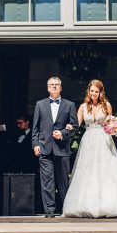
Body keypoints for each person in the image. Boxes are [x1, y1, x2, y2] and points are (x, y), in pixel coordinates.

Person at [62, 79, 117, 218]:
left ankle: (111, 205)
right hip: (89, 140)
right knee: (88, 171)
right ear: (88, 91)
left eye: (96, 91)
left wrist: (115, 126)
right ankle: (86, 205)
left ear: (101, 92)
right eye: (92, 91)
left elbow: (110, 122)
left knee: (108, 169)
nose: (94, 94)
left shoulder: (106, 105)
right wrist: (70, 127)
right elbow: (77, 124)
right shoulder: (83, 107)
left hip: (103, 139)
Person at [32, 77, 78, 218]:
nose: (54, 87)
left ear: (61, 88)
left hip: (62, 149)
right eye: (51, 85)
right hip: (45, 148)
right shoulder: (40, 104)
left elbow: (75, 126)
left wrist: (63, 133)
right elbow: (35, 128)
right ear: (47, 88)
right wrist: (35, 144)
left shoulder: (69, 105)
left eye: (57, 85)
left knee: (63, 182)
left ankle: (66, 209)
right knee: (47, 182)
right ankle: (50, 211)